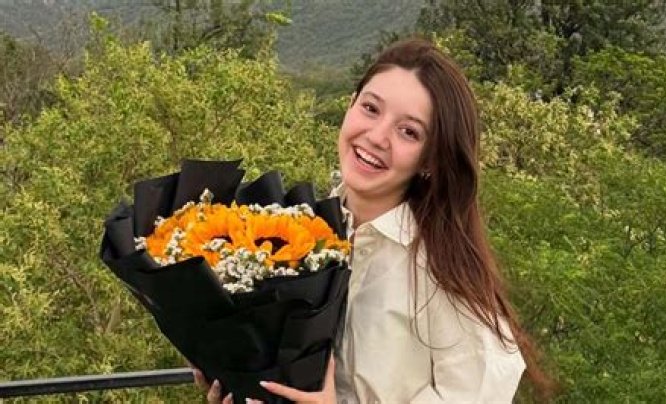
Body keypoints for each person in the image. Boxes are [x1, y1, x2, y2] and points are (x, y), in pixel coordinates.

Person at [195, 38, 552, 403]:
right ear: (350, 105)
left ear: (430, 160)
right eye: (370, 108)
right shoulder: (297, 233)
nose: (378, 137)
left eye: (408, 132)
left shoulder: (443, 271)